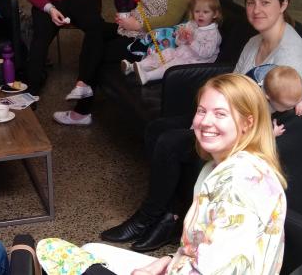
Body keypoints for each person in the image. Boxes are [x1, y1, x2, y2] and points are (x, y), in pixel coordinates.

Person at [100, 0, 302, 252]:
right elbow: (235, 85)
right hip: (235, 116)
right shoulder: (255, 41)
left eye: (265, 2)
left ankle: (152, 217)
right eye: (250, 3)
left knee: (170, 142)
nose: (256, 10)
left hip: (264, 132)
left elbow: (272, 113)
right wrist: (208, 115)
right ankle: (169, 215)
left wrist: (208, 124)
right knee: (158, 128)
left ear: (283, 4)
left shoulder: (292, 57)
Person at [39, 74, 287, 275]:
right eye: (202, 111)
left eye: (220, 114)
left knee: (51, 252)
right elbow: (211, 252)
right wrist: (168, 260)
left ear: (247, 123)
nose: (205, 122)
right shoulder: (221, 166)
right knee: (87, 250)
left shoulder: (241, 184)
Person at [121, 0, 222, 85]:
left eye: (205, 12)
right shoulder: (191, 24)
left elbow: (206, 54)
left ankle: (147, 76)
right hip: (181, 52)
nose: (200, 15)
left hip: (196, 62)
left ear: (215, 14)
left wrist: (191, 41)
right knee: (164, 54)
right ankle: (135, 66)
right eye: (197, 11)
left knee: (172, 65)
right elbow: (178, 43)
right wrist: (181, 37)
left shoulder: (213, 34)